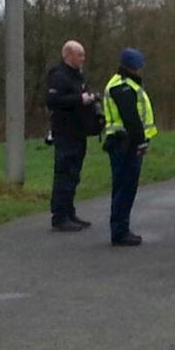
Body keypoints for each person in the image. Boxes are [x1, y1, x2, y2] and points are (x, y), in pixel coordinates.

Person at [103, 47, 157, 247]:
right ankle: (120, 231)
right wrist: (141, 141)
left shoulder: (123, 84)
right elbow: (131, 118)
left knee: (124, 186)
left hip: (123, 142)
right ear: (133, 67)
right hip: (124, 144)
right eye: (139, 66)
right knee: (125, 187)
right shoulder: (123, 87)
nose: (141, 70)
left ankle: (121, 228)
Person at [46, 40, 100, 231]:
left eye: (83, 55)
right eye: (80, 55)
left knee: (74, 174)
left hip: (79, 132)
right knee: (64, 173)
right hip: (65, 132)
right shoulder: (58, 76)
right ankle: (59, 216)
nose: (83, 58)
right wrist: (80, 99)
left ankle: (69, 212)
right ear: (68, 55)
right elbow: (52, 100)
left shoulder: (78, 77)